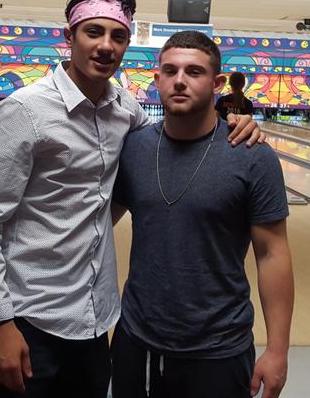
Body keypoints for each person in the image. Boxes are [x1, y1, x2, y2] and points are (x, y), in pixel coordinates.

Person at [0, 0, 265, 398]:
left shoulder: (126, 110)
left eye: (117, 36)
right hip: (27, 318)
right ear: (69, 38)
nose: (106, 46)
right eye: (93, 33)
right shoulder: (24, 111)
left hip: (94, 320)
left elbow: (176, 135)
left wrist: (238, 123)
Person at [111, 31, 294, 398]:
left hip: (219, 348)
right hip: (136, 340)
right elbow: (93, 225)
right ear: (157, 78)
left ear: (217, 83)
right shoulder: (132, 149)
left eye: (194, 71)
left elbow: (273, 253)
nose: (180, 80)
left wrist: (277, 351)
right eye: (170, 70)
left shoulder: (253, 157)